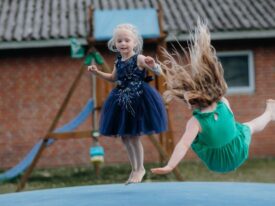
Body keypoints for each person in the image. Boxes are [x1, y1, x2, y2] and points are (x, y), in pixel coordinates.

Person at [151, 21, 275, 175]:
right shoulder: (224, 102)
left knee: (237, 129)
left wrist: (170, 166)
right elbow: (229, 123)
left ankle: (269, 113)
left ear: (192, 99)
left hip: (217, 162)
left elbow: (183, 145)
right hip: (237, 150)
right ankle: (270, 114)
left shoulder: (195, 122)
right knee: (250, 126)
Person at [88, 23, 167, 184]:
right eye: (119, 41)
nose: (123, 43)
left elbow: (159, 72)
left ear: (135, 43)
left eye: (126, 40)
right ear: (115, 44)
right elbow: (113, 78)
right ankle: (134, 168)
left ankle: (140, 168)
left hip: (138, 98)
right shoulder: (118, 62)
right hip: (122, 99)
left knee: (134, 136)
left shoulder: (139, 58)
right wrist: (97, 73)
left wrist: (153, 65)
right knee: (125, 137)